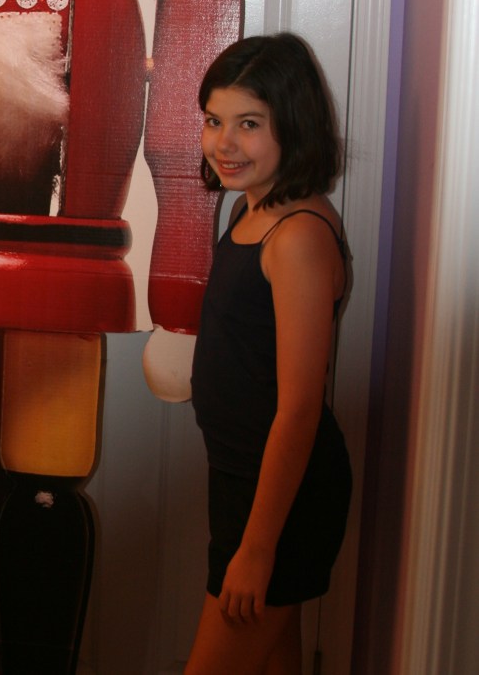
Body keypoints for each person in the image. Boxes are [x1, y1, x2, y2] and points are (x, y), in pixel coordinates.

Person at [186, 33, 352, 674]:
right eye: (214, 121)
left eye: (249, 124)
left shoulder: (297, 237)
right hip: (241, 480)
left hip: (281, 495)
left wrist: (258, 548)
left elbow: (300, 408)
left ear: (294, 126)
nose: (225, 143)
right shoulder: (250, 211)